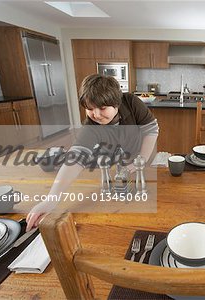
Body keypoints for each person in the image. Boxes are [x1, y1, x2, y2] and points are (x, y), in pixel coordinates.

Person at [26, 74, 159, 230]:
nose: (96, 115)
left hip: (139, 157)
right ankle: (53, 157)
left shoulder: (131, 102)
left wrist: (141, 159)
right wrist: (51, 199)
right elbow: (75, 159)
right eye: (89, 108)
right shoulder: (91, 125)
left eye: (102, 108)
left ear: (116, 103)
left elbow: (151, 130)